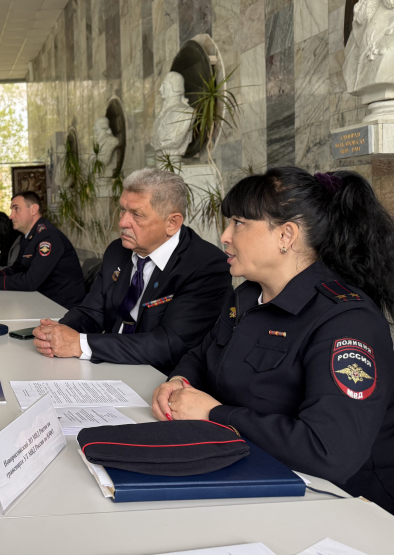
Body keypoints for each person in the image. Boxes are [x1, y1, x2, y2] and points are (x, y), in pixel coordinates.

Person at [152, 167, 394, 514]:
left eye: (239, 223)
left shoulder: (346, 321)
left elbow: (328, 452)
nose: (224, 235)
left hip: (346, 506)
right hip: (255, 475)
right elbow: (203, 355)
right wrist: (179, 380)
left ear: (286, 235)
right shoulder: (248, 296)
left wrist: (213, 413)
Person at [32, 168, 232, 374]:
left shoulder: (206, 266)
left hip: (159, 379)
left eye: (137, 214)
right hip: (108, 365)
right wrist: (56, 334)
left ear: (172, 223)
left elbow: (169, 345)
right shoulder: (117, 251)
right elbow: (92, 312)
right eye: (123, 210)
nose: (122, 223)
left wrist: (80, 344)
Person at [0, 192, 86, 309]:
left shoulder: (48, 238)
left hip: (62, 309)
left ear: (33, 209)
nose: (11, 216)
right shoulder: (29, 236)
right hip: (43, 301)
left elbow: (30, 281)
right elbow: (18, 268)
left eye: (16, 209)